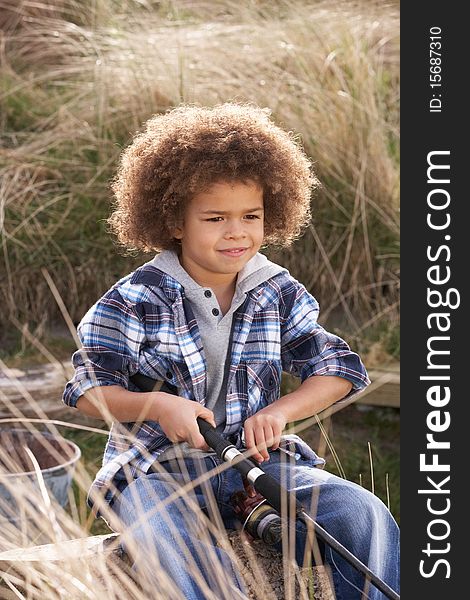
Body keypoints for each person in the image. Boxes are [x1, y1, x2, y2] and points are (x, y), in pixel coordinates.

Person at [63, 103, 399, 599]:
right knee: (165, 540)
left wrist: (281, 412)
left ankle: (275, 525)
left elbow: (339, 369)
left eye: (250, 216)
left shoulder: (277, 291)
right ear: (175, 221)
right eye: (215, 217)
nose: (236, 231)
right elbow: (88, 390)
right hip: (159, 472)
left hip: (259, 467)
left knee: (361, 513)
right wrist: (156, 407)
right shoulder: (133, 299)